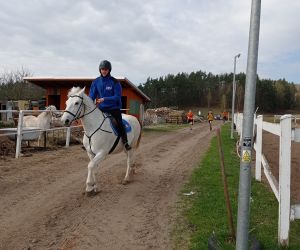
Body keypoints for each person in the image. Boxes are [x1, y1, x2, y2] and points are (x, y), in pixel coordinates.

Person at [89, 60, 131, 151]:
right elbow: (92, 95)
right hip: (101, 108)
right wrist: (89, 103)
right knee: (91, 122)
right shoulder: (96, 82)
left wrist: (104, 99)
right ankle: (89, 142)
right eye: (102, 69)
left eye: (106, 69)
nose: (104, 71)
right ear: (100, 70)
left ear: (109, 70)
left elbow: (117, 97)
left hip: (113, 108)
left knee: (120, 123)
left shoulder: (115, 82)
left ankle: (125, 142)